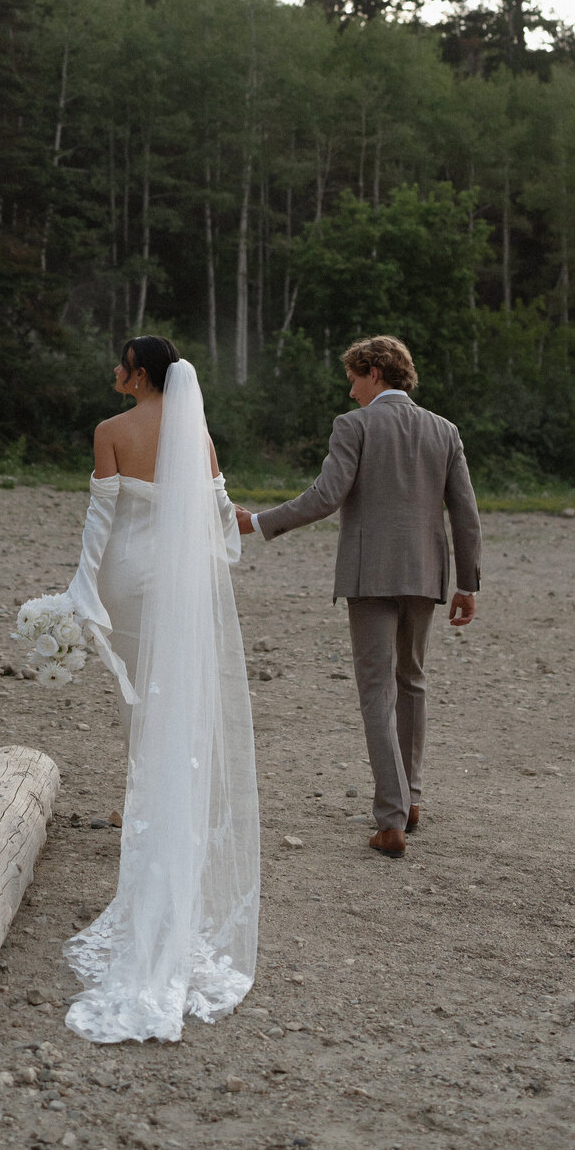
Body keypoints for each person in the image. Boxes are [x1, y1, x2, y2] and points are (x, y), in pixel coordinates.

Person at [62, 336, 260, 1043]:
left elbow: (100, 520)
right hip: (183, 581)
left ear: (139, 374)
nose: (113, 371)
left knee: (140, 710)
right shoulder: (195, 434)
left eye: (120, 363)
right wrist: (220, 558)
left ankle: (150, 829)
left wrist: (80, 589)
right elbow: (218, 511)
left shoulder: (112, 431)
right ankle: (178, 828)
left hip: (127, 578)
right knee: (181, 706)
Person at [237, 335, 480, 858]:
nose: (350, 392)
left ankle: (390, 819)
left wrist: (256, 522)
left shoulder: (356, 425)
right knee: (411, 682)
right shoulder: (444, 430)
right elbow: (465, 512)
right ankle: (410, 800)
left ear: (374, 371)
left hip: (370, 577)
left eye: (353, 378)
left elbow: (326, 496)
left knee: (377, 691)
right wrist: (468, 584)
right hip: (426, 576)